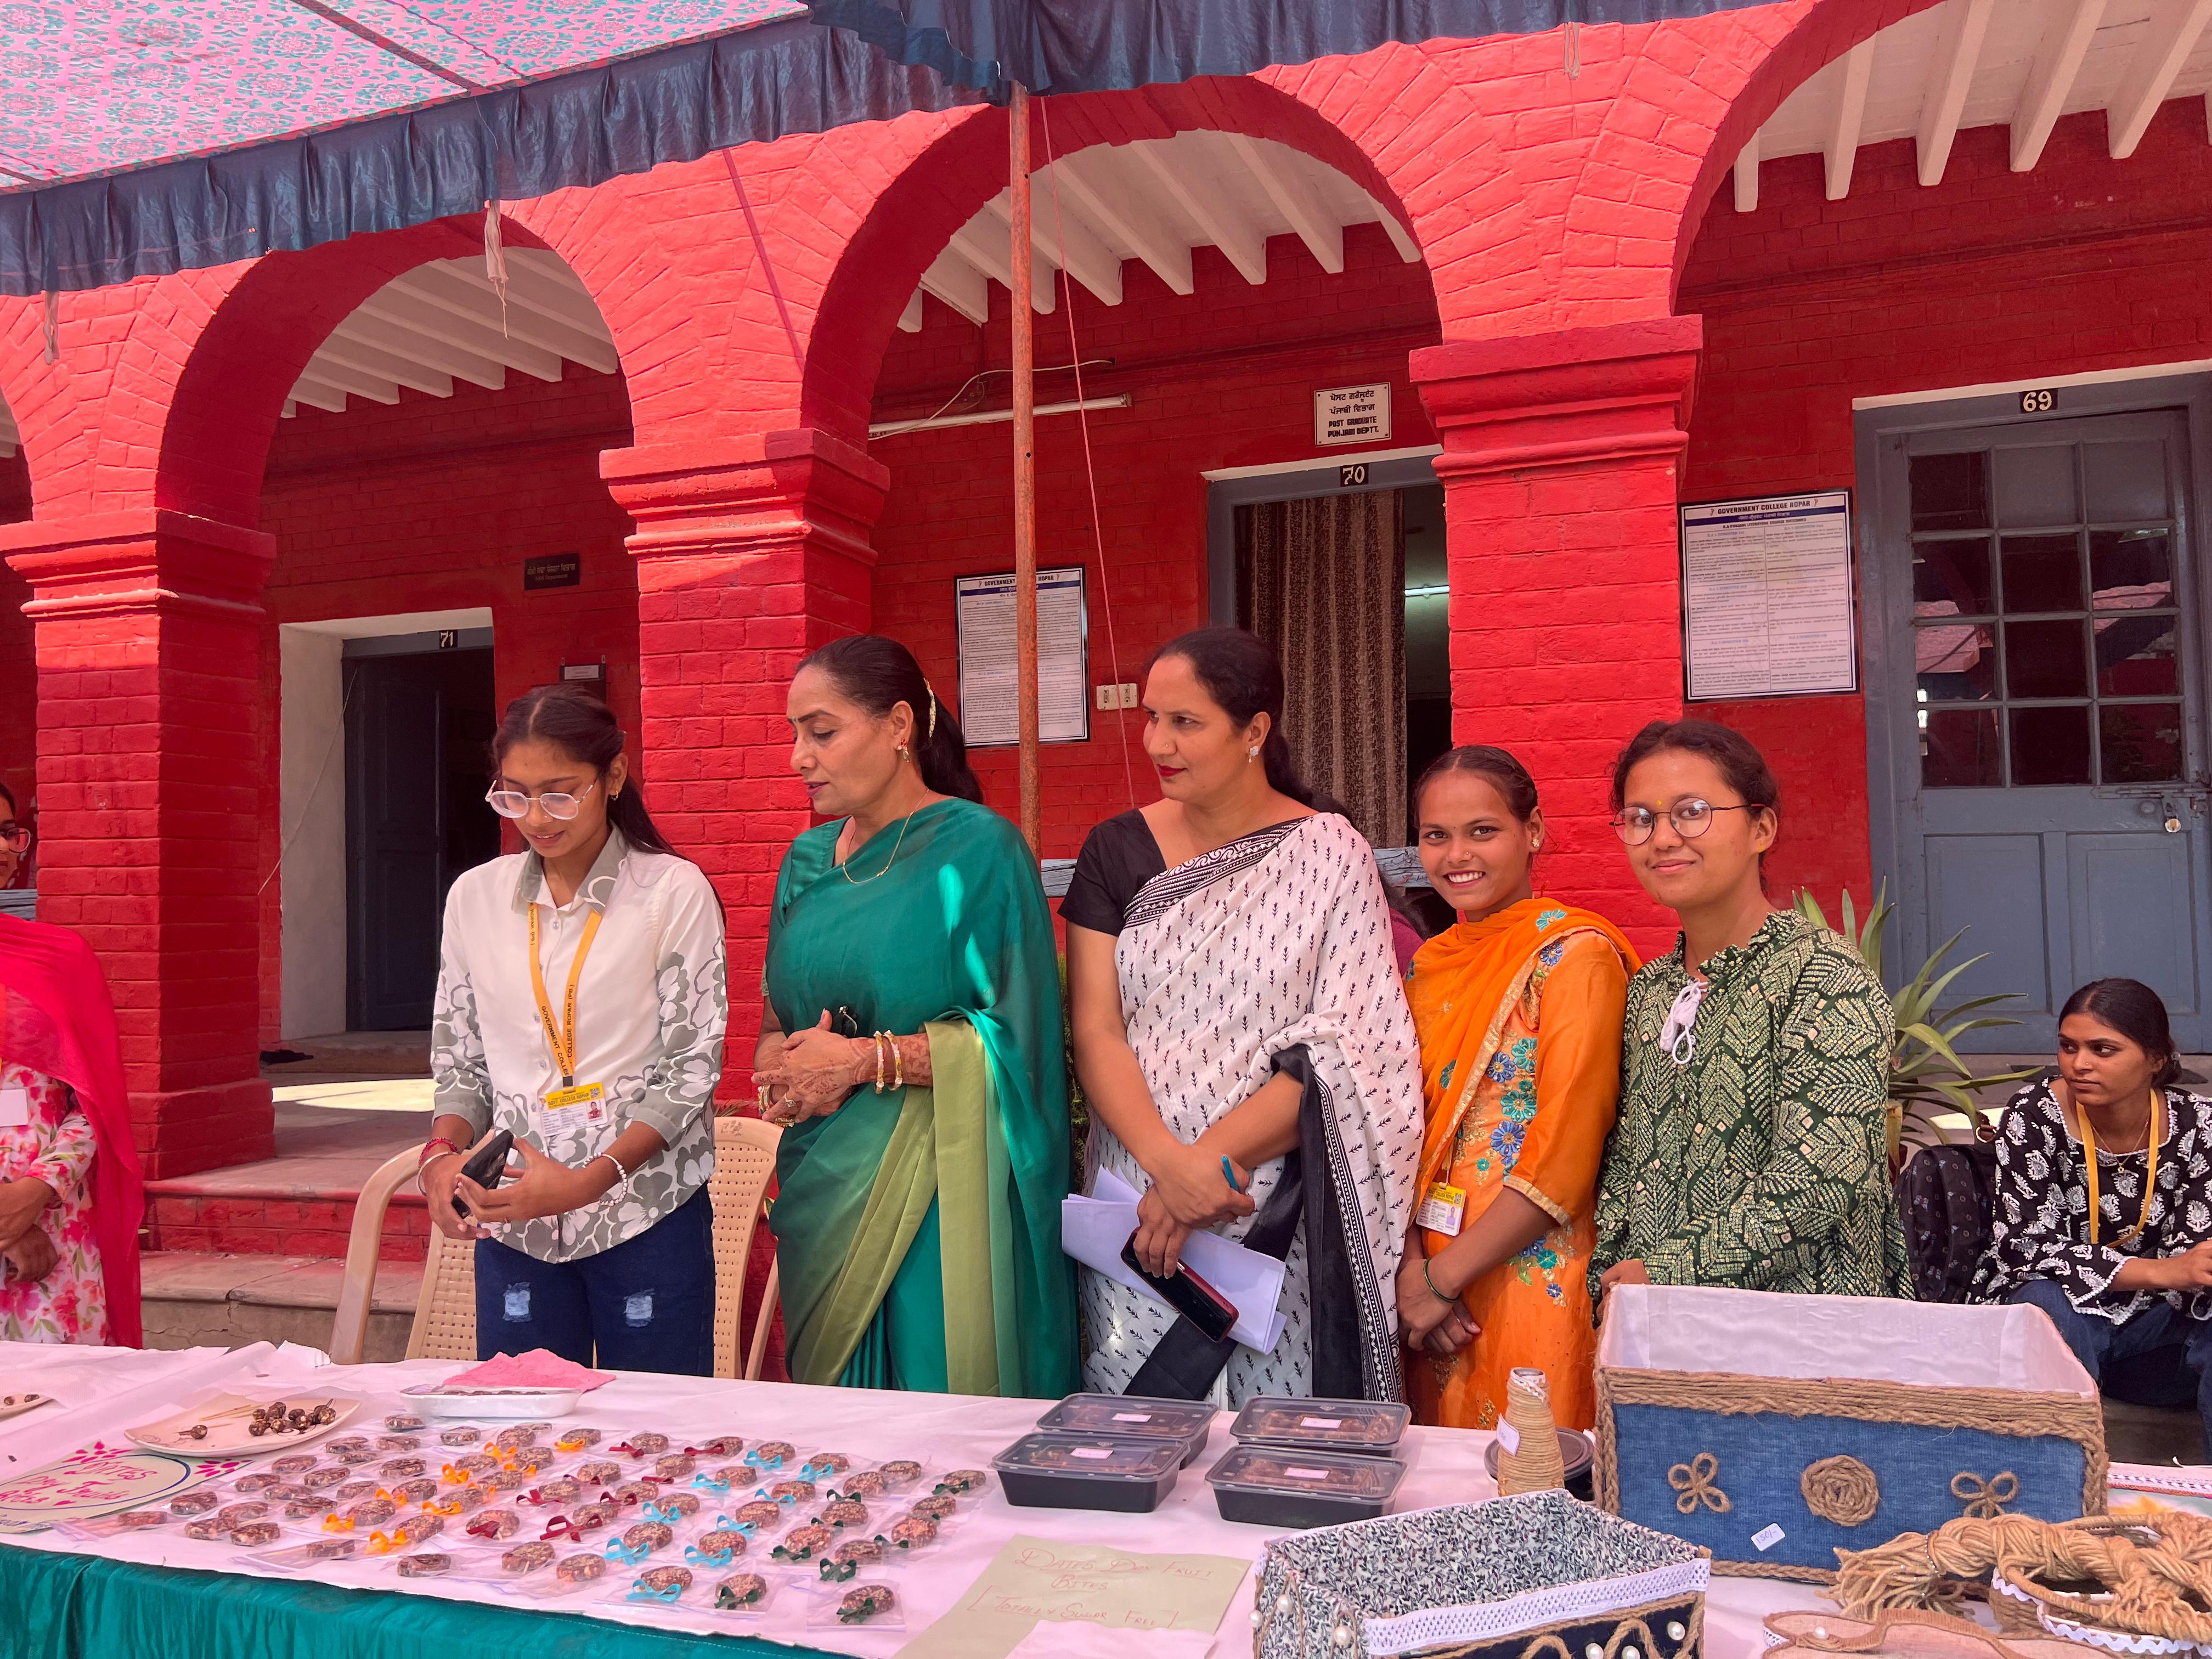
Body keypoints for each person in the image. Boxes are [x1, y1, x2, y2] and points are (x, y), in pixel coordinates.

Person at [1064, 625, 1423, 1406]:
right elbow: (1097, 1029)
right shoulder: (1114, 851)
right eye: (1152, 718)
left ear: (1255, 730)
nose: (1159, 742)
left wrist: (1208, 1167)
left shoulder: (1330, 855)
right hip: (1138, 1198)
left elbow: (1352, 1050)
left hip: (1266, 1204)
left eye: (1186, 722)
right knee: (1139, 1423)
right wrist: (1167, 1167)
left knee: (1272, 1437)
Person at [753, 635, 1076, 1397]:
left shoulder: (980, 850)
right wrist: (788, 1073)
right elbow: (776, 1016)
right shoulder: (805, 861)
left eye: (822, 731)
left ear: (900, 726)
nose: (801, 756)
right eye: (795, 733)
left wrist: (866, 1063)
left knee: (933, 1399)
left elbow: (1022, 1040)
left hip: (938, 1190)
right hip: (822, 1182)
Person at [424, 686, 726, 1374]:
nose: (536, 818)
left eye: (561, 794)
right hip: (518, 1221)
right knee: (520, 1430)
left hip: (644, 1213)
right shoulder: (476, 897)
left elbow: (691, 1069)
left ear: (613, 777)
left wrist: (590, 1181)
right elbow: (463, 1062)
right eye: (514, 795)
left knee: (655, 1437)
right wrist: (440, 1157)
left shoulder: (672, 892)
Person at [1590, 719, 1908, 1304]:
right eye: (1641, 819)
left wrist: (1662, 1274)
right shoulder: (1651, 991)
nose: (1663, 838)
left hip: (1801, 1343)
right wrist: (1610, 1275)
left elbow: (1819, 1183)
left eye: (1692, 811)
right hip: (1655, 1338)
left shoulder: (1826, 979)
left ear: (1761, 828)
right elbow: (1624, 1162)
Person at [1398, 748, 1636, 1432]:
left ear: (1532, 831)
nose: (1456, 855)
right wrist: (1414, 1274)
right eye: (1436, 835)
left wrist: (1440, 1283)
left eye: (1482, 830)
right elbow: (1401, 1131)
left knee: (1530, 1482)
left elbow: (1565, 1161)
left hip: (1530, 1272)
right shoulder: (1430, 963)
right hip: (1430, 1278)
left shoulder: (1574, 957)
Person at [1974, 979, 2212, 1434]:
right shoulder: (2034, 1115)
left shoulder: (2200, 1126)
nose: (2079, 1064)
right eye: (2068, 1046)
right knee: (2044, 1302)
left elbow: (2196, 1252)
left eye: (2103, 1050)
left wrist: (2187, 1270)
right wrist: (2161, 1271)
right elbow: (2024, 1247)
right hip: (2066, 1324)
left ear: (2156, 1059)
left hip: (2159, 1345)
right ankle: (2056, 1482)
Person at [0, 782, 144, 1346]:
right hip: (23, 1231)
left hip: (57, 1231)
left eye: (10, 831)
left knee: (70, 1411)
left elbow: (95, 1104)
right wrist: (8, 1230)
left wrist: (36, 1194)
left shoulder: (60, 959)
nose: (9, 847)